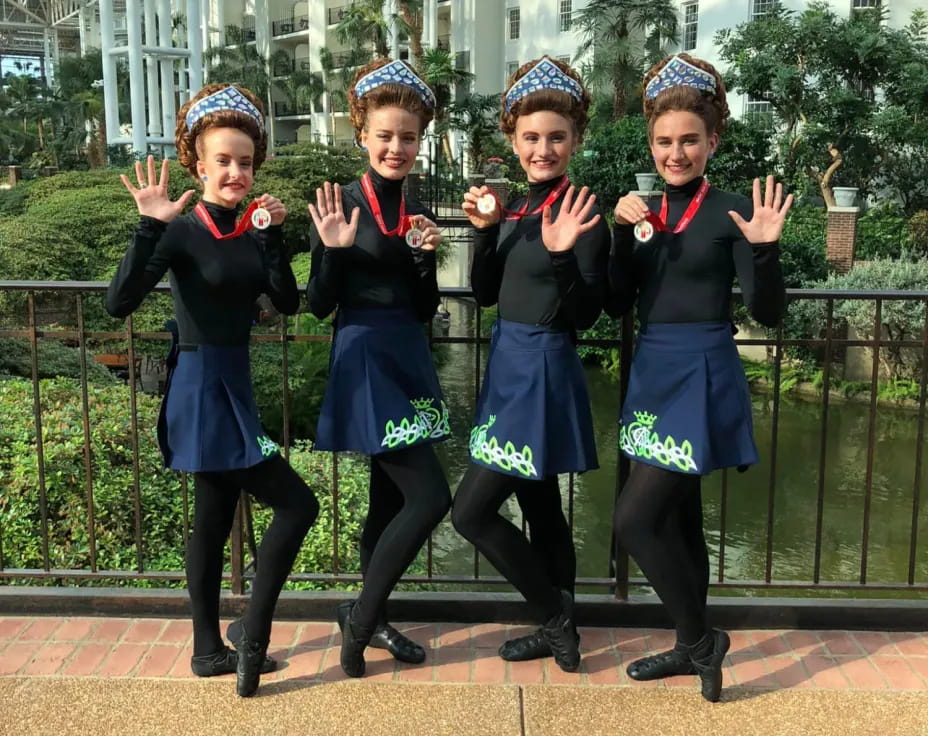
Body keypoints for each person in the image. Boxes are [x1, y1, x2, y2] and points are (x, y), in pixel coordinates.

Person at [105, 84, 319, 697]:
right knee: (298, 505)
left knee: (212, 516)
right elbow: (119, 300)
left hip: (234, 382)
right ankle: (251, 632)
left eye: (245, 161)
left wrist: (274, 237)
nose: (235, 172)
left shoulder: (251, 228)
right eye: (222, 160)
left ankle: (207, 650)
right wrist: (148, 226)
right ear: (198, 164)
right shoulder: (179, 229)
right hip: (201, 384)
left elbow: (285, 301)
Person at [607, 53, 792, 702]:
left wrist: (766, 250)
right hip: (652, 376)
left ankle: (700, 637)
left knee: (634, 520)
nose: (676, 153)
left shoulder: (736, 211)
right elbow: (614, 299)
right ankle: (692, 648)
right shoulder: (644, 214)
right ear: (651, 144)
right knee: (680, 522)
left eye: (689, 140)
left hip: (703, 377)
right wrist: (618, 236)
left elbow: (767, 313)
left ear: (713, 140)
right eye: (664, 141)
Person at [450, 56, 609, 673]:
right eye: (532, 138)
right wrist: (485, 232)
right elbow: (484, 293)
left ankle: (553, 618)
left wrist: (565, 254)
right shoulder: (511, 206)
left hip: (542, 368)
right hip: (507, 365)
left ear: (574, 141)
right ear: (514, 142)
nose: (544, 149)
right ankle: (558, 622)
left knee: (469, 513)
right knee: (542, 505)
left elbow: (589, 313)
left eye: (557, 138)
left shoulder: (582, 210)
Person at [306, 58, 452, 678]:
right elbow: (317, 304)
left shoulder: (416, 207)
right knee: (431, 498)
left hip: (408, 356)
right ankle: (362, 617)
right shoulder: (337, 201)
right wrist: (335, 252)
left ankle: (375, 615)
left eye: (409, 137)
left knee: (387, 503)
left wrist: (425, 260)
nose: (397, 148)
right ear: (361, 132)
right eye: (385, 135)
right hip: (364, 356)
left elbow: (424, 307)